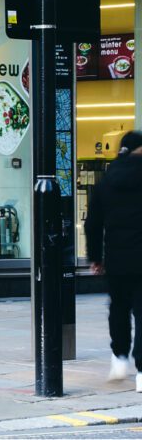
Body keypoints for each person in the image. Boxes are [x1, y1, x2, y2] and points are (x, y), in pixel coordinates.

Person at [85, 129, 142, 391]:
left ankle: (119, 358)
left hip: (117, 257)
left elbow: (93, 223)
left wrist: (95, 256)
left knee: (118, 307)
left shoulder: (107, 180)